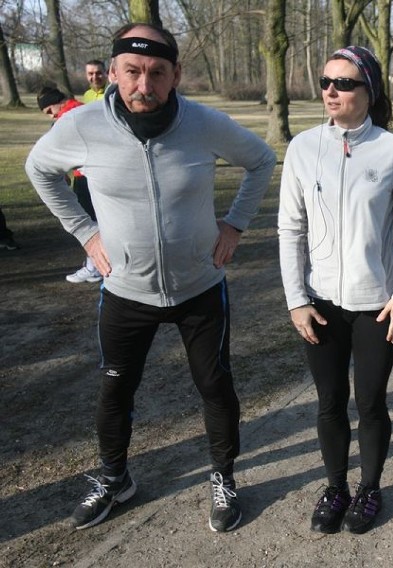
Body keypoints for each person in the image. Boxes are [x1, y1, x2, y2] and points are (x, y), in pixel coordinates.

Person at [26, 22, 277, 532]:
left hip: (200, 287)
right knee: (115, 389)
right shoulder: (82, 126)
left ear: (176, 74)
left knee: (215, 386)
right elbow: (38, 169)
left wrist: (235, 224)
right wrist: (84, 233)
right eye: (133, 72)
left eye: (157, 73)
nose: (145, 85)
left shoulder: (204, 123)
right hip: (125, 291)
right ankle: (117, 479)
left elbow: (261, 159)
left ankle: (224, 478)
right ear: (113, 72)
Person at [278, 46, 393, 535]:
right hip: (320, 304)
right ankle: (336, 486)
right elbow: (290, 229)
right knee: (329, 403)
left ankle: (369, 488)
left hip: (377, 304)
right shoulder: (303, 148)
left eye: (344, 83)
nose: (331, 90)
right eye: (326, 81)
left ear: (369, 91)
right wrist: (296, 300)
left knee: (369, 403)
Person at [36, 86, 102, 284]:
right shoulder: (82, 108)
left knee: (90, 221)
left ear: (57, 102)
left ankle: (96, 264)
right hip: (93, 173)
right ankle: (95, 263)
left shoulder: (67, 118)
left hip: (84, 175)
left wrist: (60, 171)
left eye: (49, 111)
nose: (50, 116)